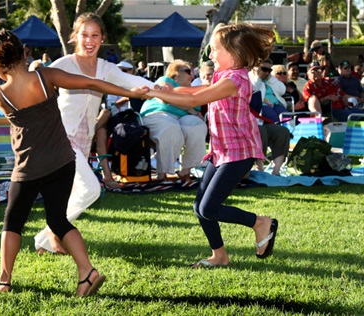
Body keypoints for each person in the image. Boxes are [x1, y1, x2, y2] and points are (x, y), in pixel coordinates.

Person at [0, 29, 147, 295]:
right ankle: (87, 272)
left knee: (13, 222)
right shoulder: (47, 77)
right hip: (62, 161)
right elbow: (92, 83)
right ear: (24, 54)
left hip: (29, 166)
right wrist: (130, 91)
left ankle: (3, 280)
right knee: (58, 220)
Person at [143, 24, 278, 267]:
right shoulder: (223, 76)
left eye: (215, 50)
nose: (211, 55)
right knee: (200, 207)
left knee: (208, 208)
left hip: (239, 153)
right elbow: (196, 90)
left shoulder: (236, 80)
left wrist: (158, 95)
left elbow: (196, 99)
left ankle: (259, 223)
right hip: (222, 152)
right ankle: (219, 256)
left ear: (234, 53)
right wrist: (167, 89)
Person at [34, 12, 155, 254]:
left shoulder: (105, 68)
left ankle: (44, 241)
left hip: (83, 138)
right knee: (91, 189)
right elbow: (35, 88)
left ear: (102, 38)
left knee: (77, 191)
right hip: (60, 136)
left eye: (95, 35)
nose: (89, 40)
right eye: (84, 34)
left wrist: (160, 88)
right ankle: (52, 231)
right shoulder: (63, 65)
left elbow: (130, 81)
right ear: (74, 37)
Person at [140, 59, 207, 181]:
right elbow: (163, 98)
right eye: (188, 71)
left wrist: (193, 112)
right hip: (158, 114)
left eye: (192, 72)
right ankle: (163, 174)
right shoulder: (166, 81)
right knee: (171, 128)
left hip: (181, 118)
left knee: (197, 126)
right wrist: (190, 108)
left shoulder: (192, 91)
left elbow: (197, 114)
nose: (192, 75)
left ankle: (185, 171)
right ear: (175, 73)